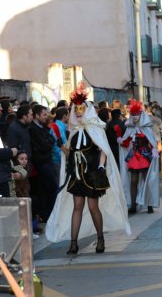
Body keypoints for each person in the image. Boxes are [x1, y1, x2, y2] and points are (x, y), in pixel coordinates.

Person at [46, 83, 131, 254]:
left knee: (93, 207)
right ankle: (73, 243)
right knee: (77, 206)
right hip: (77, 174)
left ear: (87, 111)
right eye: (75, 110)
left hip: (92, 173)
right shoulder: (74, 131)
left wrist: (100, 166)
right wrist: (59, 143)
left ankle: (100, 238)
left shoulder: (96, 129)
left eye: (81, 110)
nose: (78, 113)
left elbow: (104, 150)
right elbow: (70, 153)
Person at [118, 100, 160, 214]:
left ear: (141, 114)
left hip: (145, 156)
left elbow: (152, 141)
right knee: (133, 181)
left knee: (147, 180)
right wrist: (121, 140)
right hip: (134, 157)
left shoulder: (147, 127)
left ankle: (149, 204)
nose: (135, 116)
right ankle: (133, 205)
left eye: (137, 114)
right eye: (133, 114)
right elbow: (126, 142)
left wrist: (154, 149)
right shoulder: (130, 127)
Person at [29, 105, 57, 221]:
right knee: (48, 189)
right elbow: (44, 145)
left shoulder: (43, 127)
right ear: (37, 116)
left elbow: (51, 140)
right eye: (44, 115)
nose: (47, 117)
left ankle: (49, 214)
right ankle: (47, 215)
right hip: (41, 164)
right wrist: (49, 141)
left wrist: (49, 141)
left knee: (50, 190)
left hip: (47, 162)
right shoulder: (33, 129)